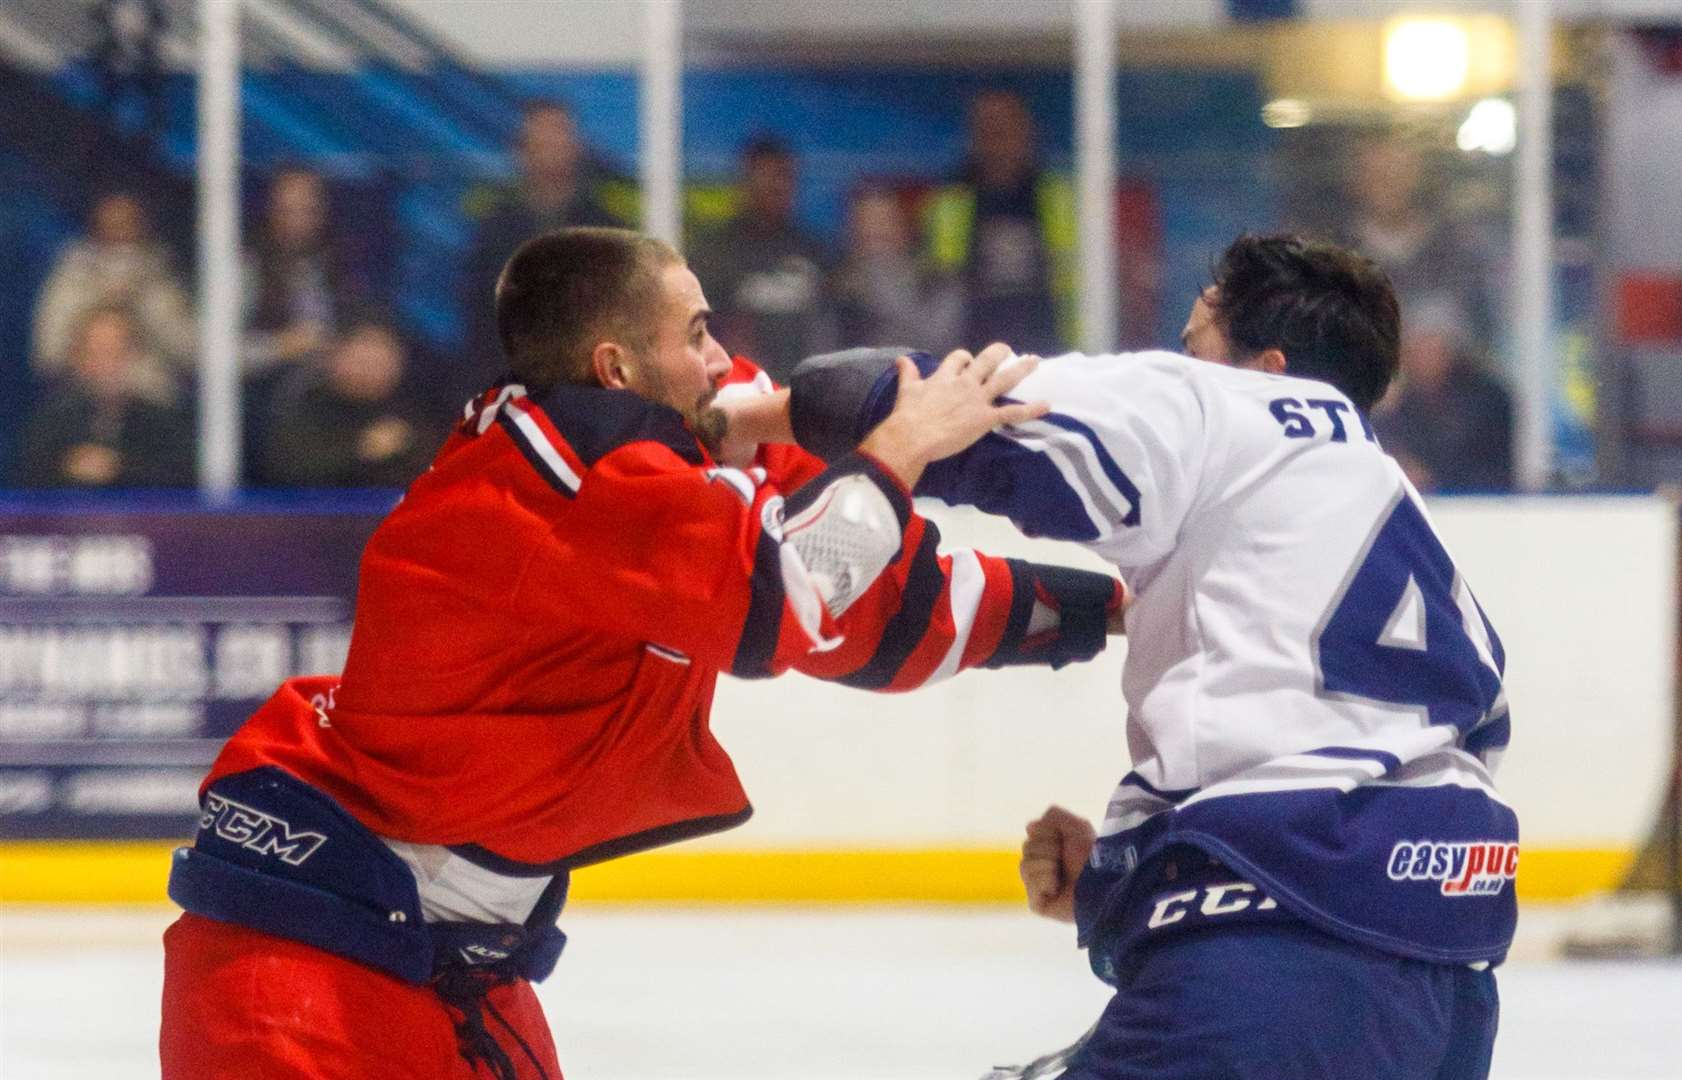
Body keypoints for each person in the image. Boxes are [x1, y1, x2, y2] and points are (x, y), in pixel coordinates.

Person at [158, 226, 1126, 1079]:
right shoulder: (557, 481)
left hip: (443, 959)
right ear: (617, 367)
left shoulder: (664, 460)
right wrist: (897, 452)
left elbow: (878, 610)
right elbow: (792, 591)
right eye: (698, 333)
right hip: (303, 970)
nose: (722, 360)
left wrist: (1105, 608)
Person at [770, 234, 1515, 1079]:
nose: (1178, 361)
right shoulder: (1385, 504)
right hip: (1446, 990)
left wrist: (733, 421)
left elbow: (902, 396)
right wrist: (1140, 879)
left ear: (1264, 368)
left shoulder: (1226, 407)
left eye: (1194, 339)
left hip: (1282, 968)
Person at [458, 100, 634, 388]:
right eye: (539, 139)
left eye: (558, 136)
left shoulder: (606, 229)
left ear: (576, 146)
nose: (549, 147)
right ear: (520, 149)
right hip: (512, 380)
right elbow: (480, 316)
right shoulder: (494, 230)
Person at [922, 89, 1074, 356]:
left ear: (1027, 132)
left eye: (1006, 128)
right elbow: (935, 283)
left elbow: (1079, 276)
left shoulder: (1057, 196)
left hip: (1050, 347)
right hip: (970, 351)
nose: (997, 139)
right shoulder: (951, 199)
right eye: (987, 128)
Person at [687, 135, 833, 384]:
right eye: (765, 178)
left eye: (783, 178)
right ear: (746, 181)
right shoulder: (716, 252)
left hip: (807, 384)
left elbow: (832, 322)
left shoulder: (816, 251)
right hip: (739, 383)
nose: (775, 188)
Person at [1340, 137, 1499, 356]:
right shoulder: (1336, 257)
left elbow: (1482, 334)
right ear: (1357, 181)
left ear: (1417, 176)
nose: (1388, 184)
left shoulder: (1455, 252)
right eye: (1377, 174)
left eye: (1397, 173)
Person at [32, 189, 196, 402]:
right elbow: (48, 353)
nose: (119, 232)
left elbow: (186, 350)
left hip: (151, 397)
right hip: (83, 397)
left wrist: (141, 301)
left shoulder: (159, 274)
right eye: (111, 223)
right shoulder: (72, 275)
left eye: (126, 223)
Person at [15, 303, 194, 489]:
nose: (108, 365)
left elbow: (180, 481)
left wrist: (119, 468)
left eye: (117, 352)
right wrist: (69, 468)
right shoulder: (52, 423)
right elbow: (29, 483)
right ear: (78, 358)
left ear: (137, 355)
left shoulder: (162, 424)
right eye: (97, 353)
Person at [257, 315, 439, 488]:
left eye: (380, 361)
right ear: (334, 357)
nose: (370, 371)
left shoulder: (414, 410)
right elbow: (286, 471)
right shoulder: (304, 407)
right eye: (363, 360)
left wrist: (404, 445)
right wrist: (361, 451)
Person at [1371, 299, 1515, 492]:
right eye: (1413, 349)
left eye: (1429, 346)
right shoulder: (1402, 402)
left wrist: (1432, 477)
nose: (1420, 357)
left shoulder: (1485, 399)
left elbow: (1483, 463)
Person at [243, 166, 371, 375]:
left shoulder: (341, 260)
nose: (296, 221)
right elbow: (216, 350)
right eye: (286, 210)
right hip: (266, 385)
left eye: (307, 209)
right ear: (269, 211)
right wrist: (278, 347)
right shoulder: (247, 265)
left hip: (333, 385)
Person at [832, 187, 964, 356]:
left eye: (883, 221)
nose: (874, 231)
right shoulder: (836, 287)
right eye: (865, 222)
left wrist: (877, 273)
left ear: (905, 226)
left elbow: (937, 340)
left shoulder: (935, 280)